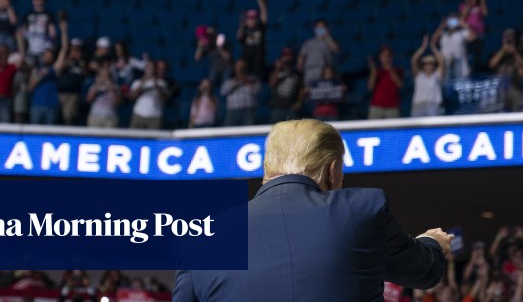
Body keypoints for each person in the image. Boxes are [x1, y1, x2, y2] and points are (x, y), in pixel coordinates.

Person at [172, 120, 450, 302]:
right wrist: (432, 243)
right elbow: (423, 271)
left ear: (268, 167)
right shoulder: (362, 211)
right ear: (333, 170)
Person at [128, 58, 171, 129]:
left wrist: (156, 84)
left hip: (155, 116)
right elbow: (132, 97)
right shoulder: (137, 82)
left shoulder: (162, 83)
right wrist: (143, 82)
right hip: (139, 114)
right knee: (134, 137)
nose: (150, 70)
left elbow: (165, 100)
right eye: (148, 68)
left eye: (152, 68)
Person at [410, 35, 445, 117]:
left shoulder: (436, 75)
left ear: (433, 66)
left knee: (433, 127)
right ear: (423, 66)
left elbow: (442, 61)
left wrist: (433, 47)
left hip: (433, 104)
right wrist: (423, 47)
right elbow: (413, 60)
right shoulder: (419, 75)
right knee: (416, 128)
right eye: (426, 64)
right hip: (419, 104)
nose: (428, 66)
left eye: (431, 64)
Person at [434, 12, 474, 82]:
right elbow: (434, 41)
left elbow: (473, 37)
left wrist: (464, 24)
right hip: (445, 64)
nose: (452, 23)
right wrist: (441, 26)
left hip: (460, 65)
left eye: (454, 20)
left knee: (461, 86)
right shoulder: (443, 34)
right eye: (451, 20)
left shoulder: (462, 33)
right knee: (446, 87)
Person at [297, 19, 339, 86]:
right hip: (310, 71)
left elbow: (336, 50)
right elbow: (302, 57)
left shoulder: (329, 41)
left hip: (325, 72)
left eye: (322, 28)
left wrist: (327, 37)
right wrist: (300, 67)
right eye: (318, 28)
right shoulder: (308, 42)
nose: (320, 30)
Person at [236, 0, 268, 78]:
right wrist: (242, 26)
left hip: (258, 55)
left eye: (254, 18)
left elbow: (264, 12)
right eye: (250, 18)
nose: (252, 20)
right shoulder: (244, 28)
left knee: (255, 75)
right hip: (247, 55)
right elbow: (239, 37)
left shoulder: (260, 27)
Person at [367, 46, 404, 119]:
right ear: (380, 57)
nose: (386, 57)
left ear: (391, 57)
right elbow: (370, 87)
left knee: (394, 129)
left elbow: (400, 85)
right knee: (372, 129)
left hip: (393, 107)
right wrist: (373, 71)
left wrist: (390, 69)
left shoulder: (398, 70)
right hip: (376, 106)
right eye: (383, 55)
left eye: (388, 55)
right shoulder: (376, 72)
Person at [268, 48, 303, 124]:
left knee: (293, 131)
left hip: (291, 108)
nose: (287, 57)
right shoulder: (276, 73)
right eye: (285, 55)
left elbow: (301, 89)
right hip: (277, 108)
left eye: (289, 55)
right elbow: (272, 84)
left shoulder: (296, 74)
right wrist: (277, 68)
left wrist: (298, 103)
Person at [220, 58, 260, 126]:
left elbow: (256, 91)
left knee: (249, 132)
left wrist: (245, 80)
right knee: (229, 133)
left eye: (242, 66)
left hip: (248, 111)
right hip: (232, 111)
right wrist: (236, 82)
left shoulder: (253, 79)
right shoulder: (229, 81)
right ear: (235, 68)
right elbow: (223, 92)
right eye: (238, 66)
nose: (241, 68)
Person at [459, 0, 488, 71]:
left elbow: (485, 13)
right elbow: (462, 18)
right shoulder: (463, 5)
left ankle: (478, 69)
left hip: (479, 33)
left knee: (478, 55)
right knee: (467, 54)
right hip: (468, 33)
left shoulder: (479, 5)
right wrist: (469, 4)